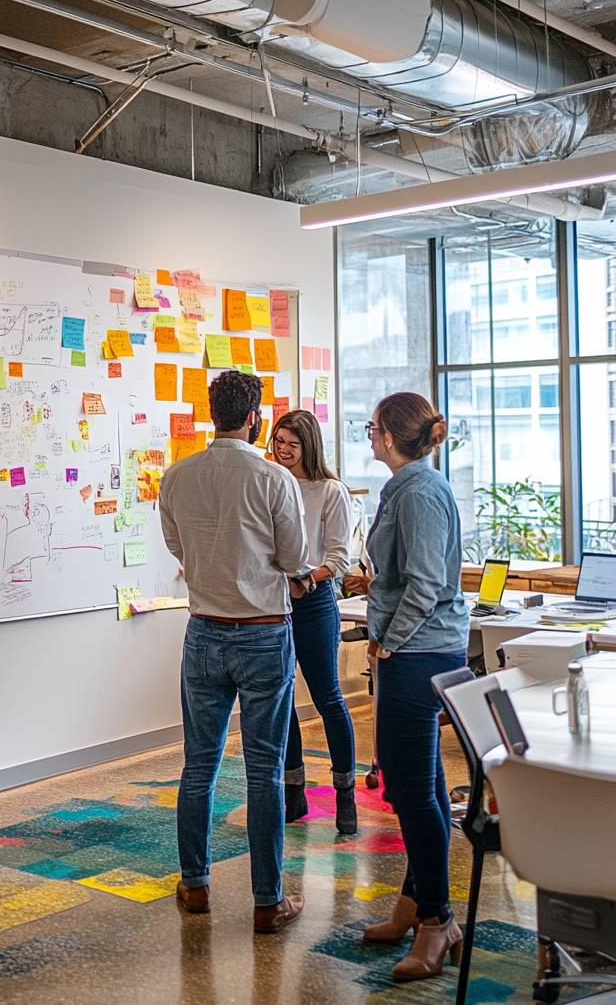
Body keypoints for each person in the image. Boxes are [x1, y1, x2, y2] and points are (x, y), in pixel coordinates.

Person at [159, 370, 309, 934]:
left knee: (199, 764)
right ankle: (268, 901)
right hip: (265, 631)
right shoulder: (274, 478)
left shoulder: (177, 476)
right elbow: (293, 558)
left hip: (203, 630)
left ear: (210, 411)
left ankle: (195, 884)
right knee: (264, 769)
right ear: (255, 417)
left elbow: (177, 544)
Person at [342, 391, 468, 981]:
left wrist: (388, 638)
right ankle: (416, 904)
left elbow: (426, 582)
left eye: (372, 427)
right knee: (425, 785)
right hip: (414, 646)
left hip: (419, 652)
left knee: (413, 792)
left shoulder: (419, 493)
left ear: (391, 436)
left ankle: (438, 920)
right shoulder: (408, 486)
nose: (369, 435)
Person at [269, 410, 357, 835]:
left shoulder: (329, 491)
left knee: (328, 699)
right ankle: (294, 791)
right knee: (282, 701)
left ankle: (345, 793)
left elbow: (341, 559)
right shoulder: (269, 482)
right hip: (273, 603)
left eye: (292, 443)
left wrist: (305, 577)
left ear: (309, 446)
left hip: (316, 601)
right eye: (278, 441)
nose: (282, 450)